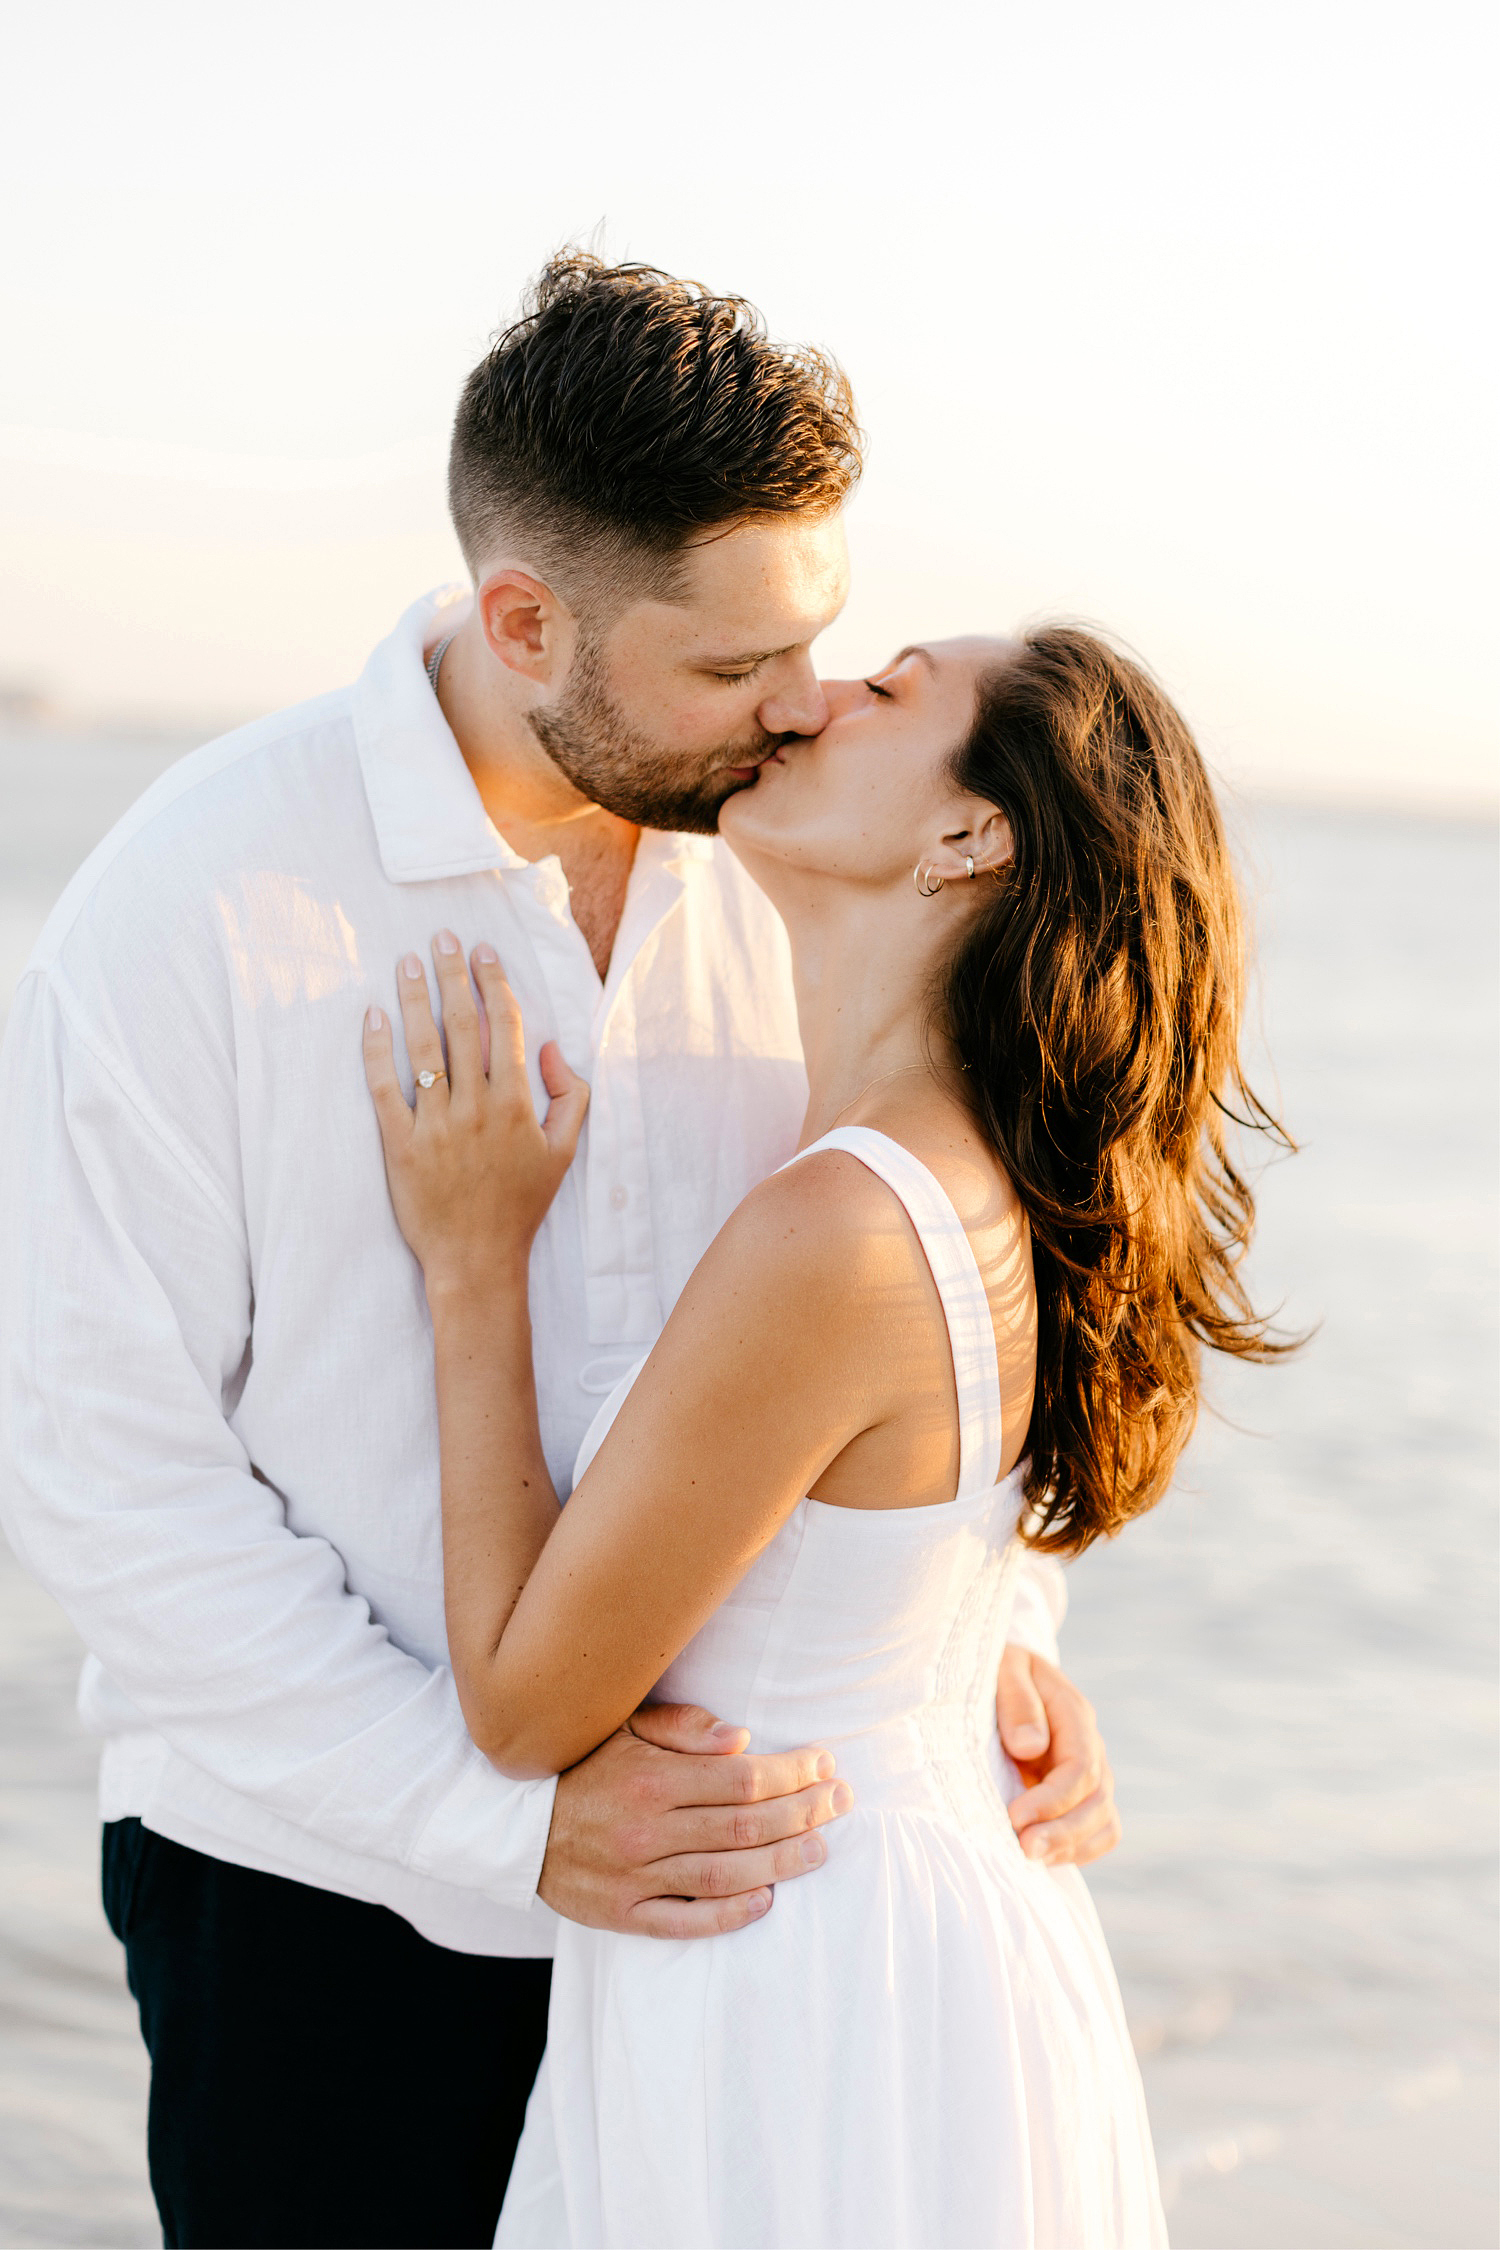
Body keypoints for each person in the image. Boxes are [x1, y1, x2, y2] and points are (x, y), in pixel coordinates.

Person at [0, 256, 1116, 2250]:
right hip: (332, 1922)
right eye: (726, 670)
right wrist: (506, 1823)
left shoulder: (797, 872)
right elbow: (108, 1492)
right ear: (528, 623)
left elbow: (952, 1271)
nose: (791, 710)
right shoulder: (194, 904)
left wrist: (997, 1650)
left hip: (734, 1944)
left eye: (817, 646)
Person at [365, 623, 1287, 2249]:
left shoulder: (840, 1226)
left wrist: (471, 1260)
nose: (811, 697)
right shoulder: (965, 1178)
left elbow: (522, 1700)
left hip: (802, 1980)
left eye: (888, 687)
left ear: (967, 836)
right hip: (900, 1934)